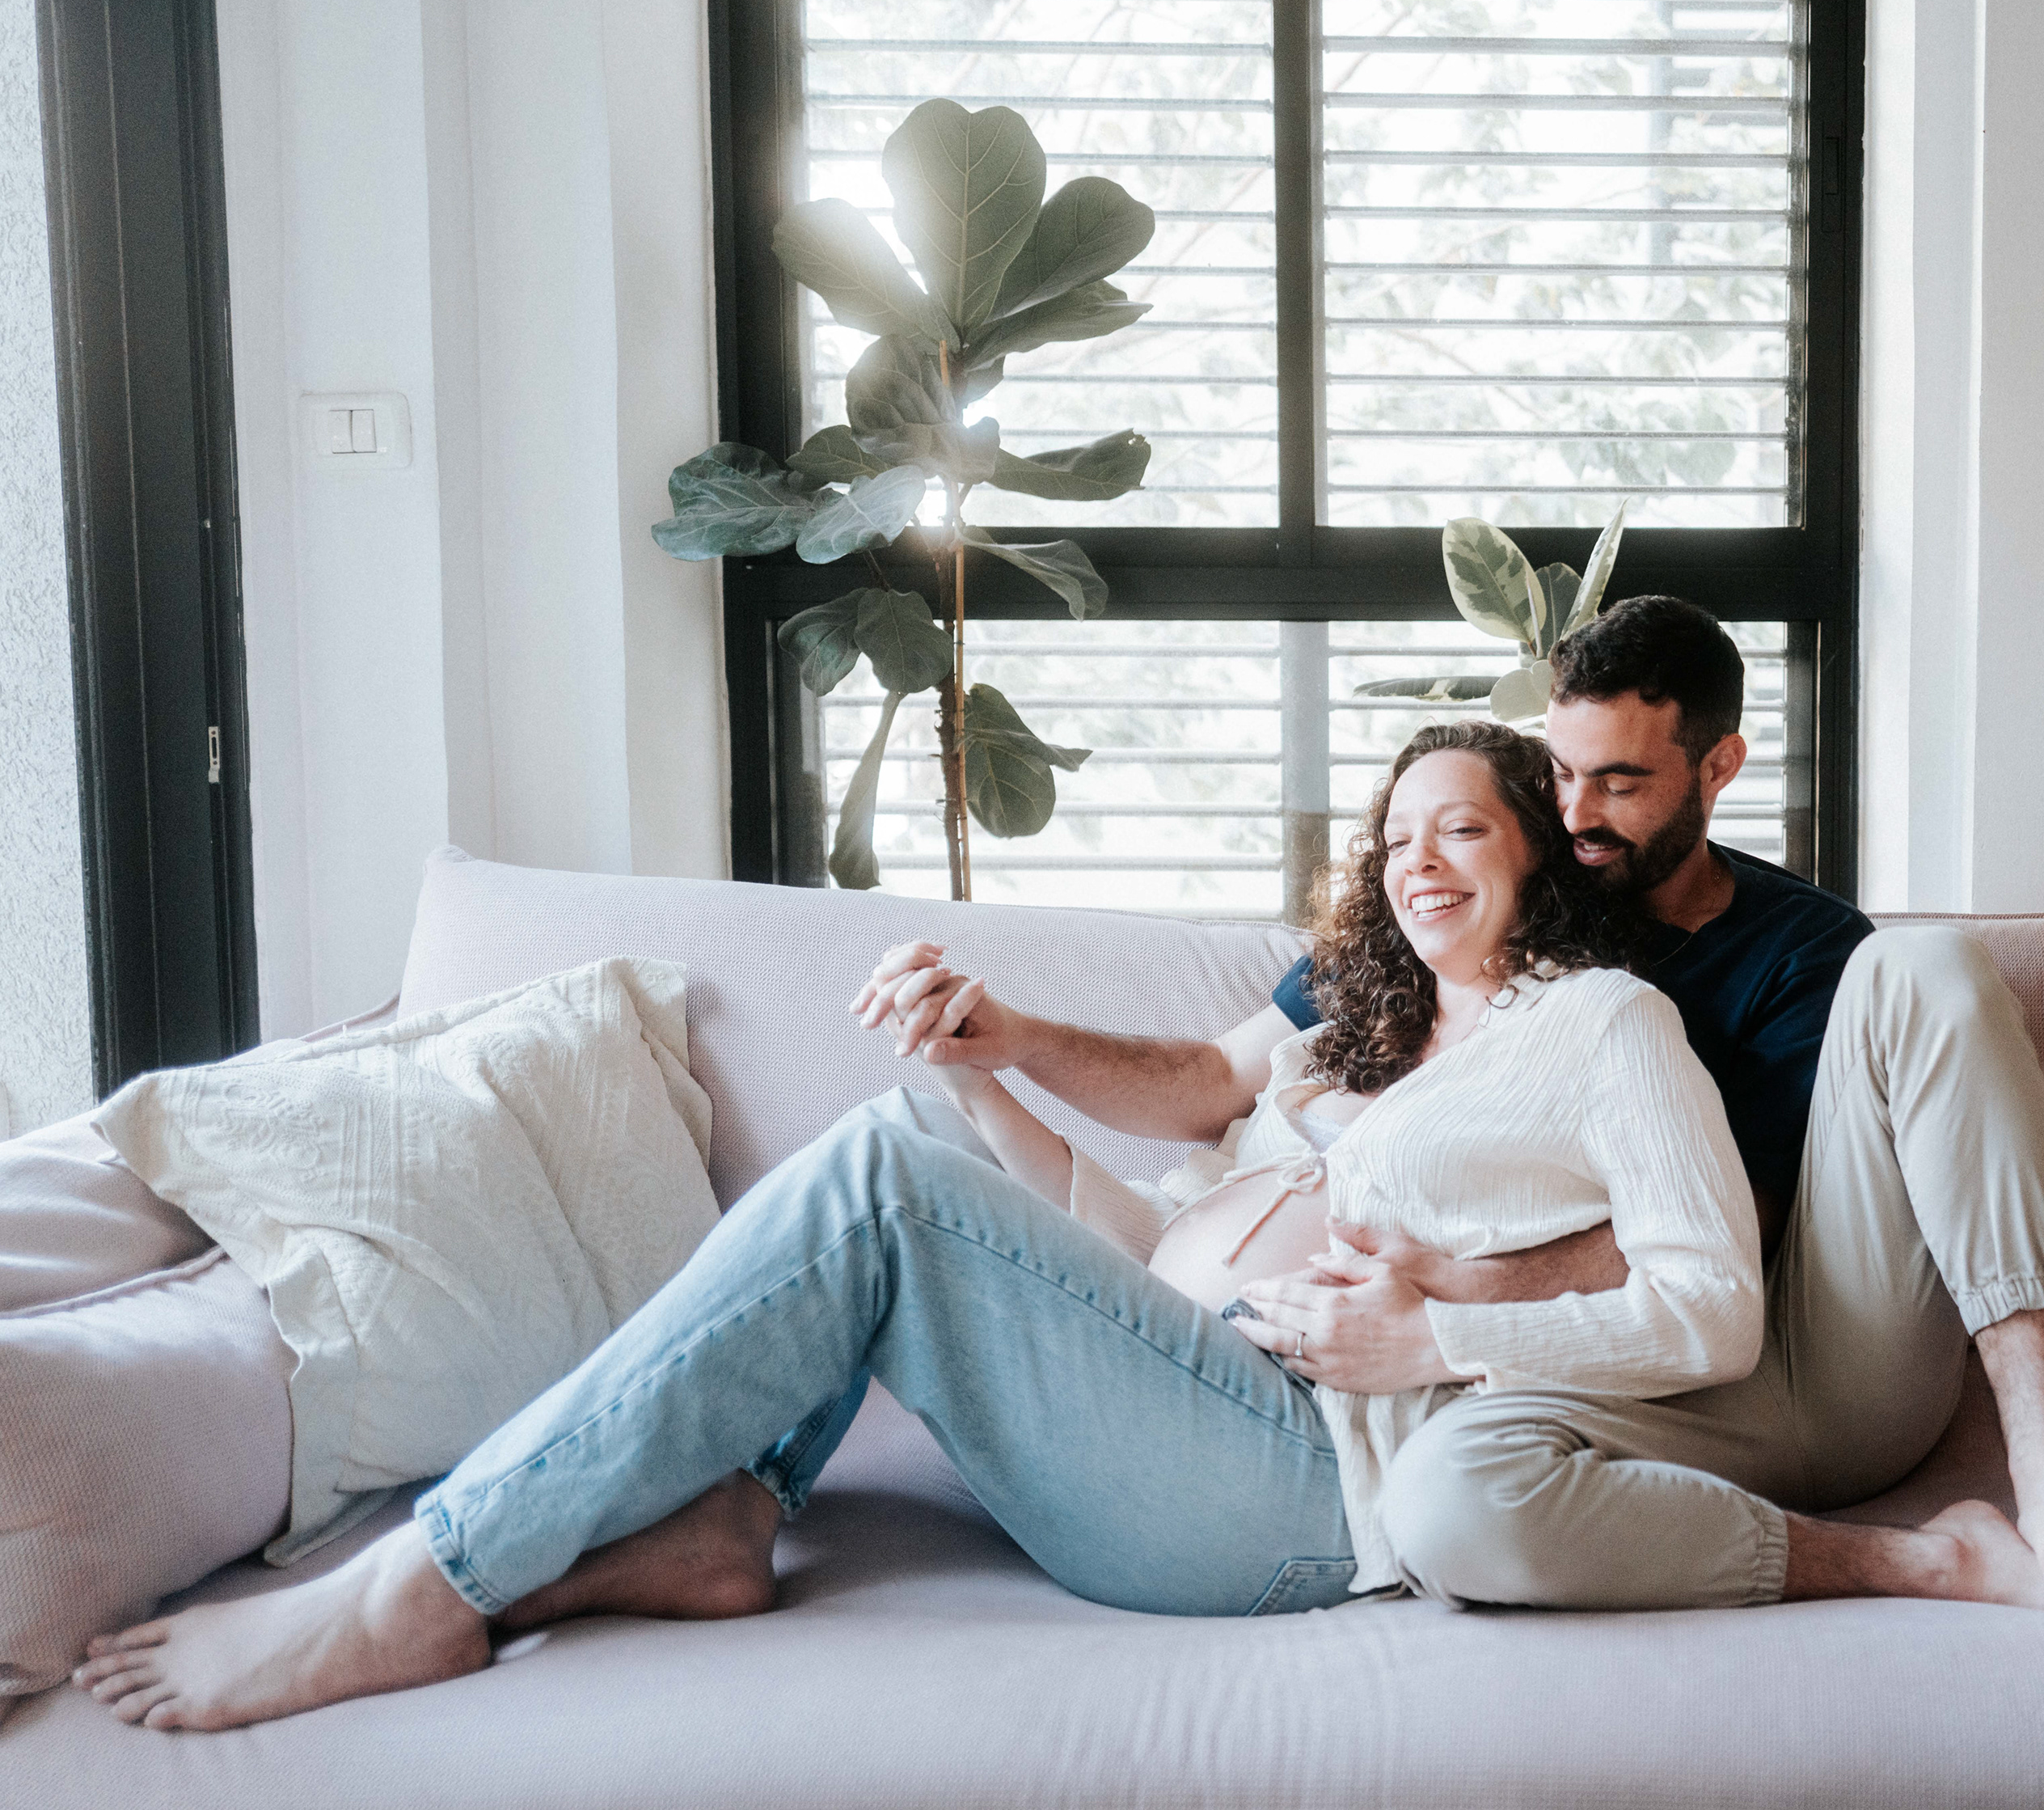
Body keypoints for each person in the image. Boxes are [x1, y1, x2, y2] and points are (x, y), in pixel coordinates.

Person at [70, 723, 1765, 1731]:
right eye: (1395, 836)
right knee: (908, 1130)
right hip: (1180, 1391)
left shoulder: (1604, 1027)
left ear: (1543, 853)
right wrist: (983, 1074)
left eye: (1463, 828)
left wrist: (1442, 1332)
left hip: (1298, 1489)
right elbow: (1130, 1241)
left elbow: (1716, 1307)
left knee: (882, 1183)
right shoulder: (1348, 1045)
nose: (1417, 862)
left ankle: (428, 1580)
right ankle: (729, 1517)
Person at [870, 596, 2044, 1619]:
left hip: (1794, 1337)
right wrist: (1014, 1041)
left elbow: (1732, 1244)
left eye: (1621, 782)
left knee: (1927, 968)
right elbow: (1215, 1083)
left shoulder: (1784, 956)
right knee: (1446, 1504)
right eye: (1559, 776)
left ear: (1719, 768)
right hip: (1590, 1368)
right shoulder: (1461, 923)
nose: (1578, 814)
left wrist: (1445, 1296)